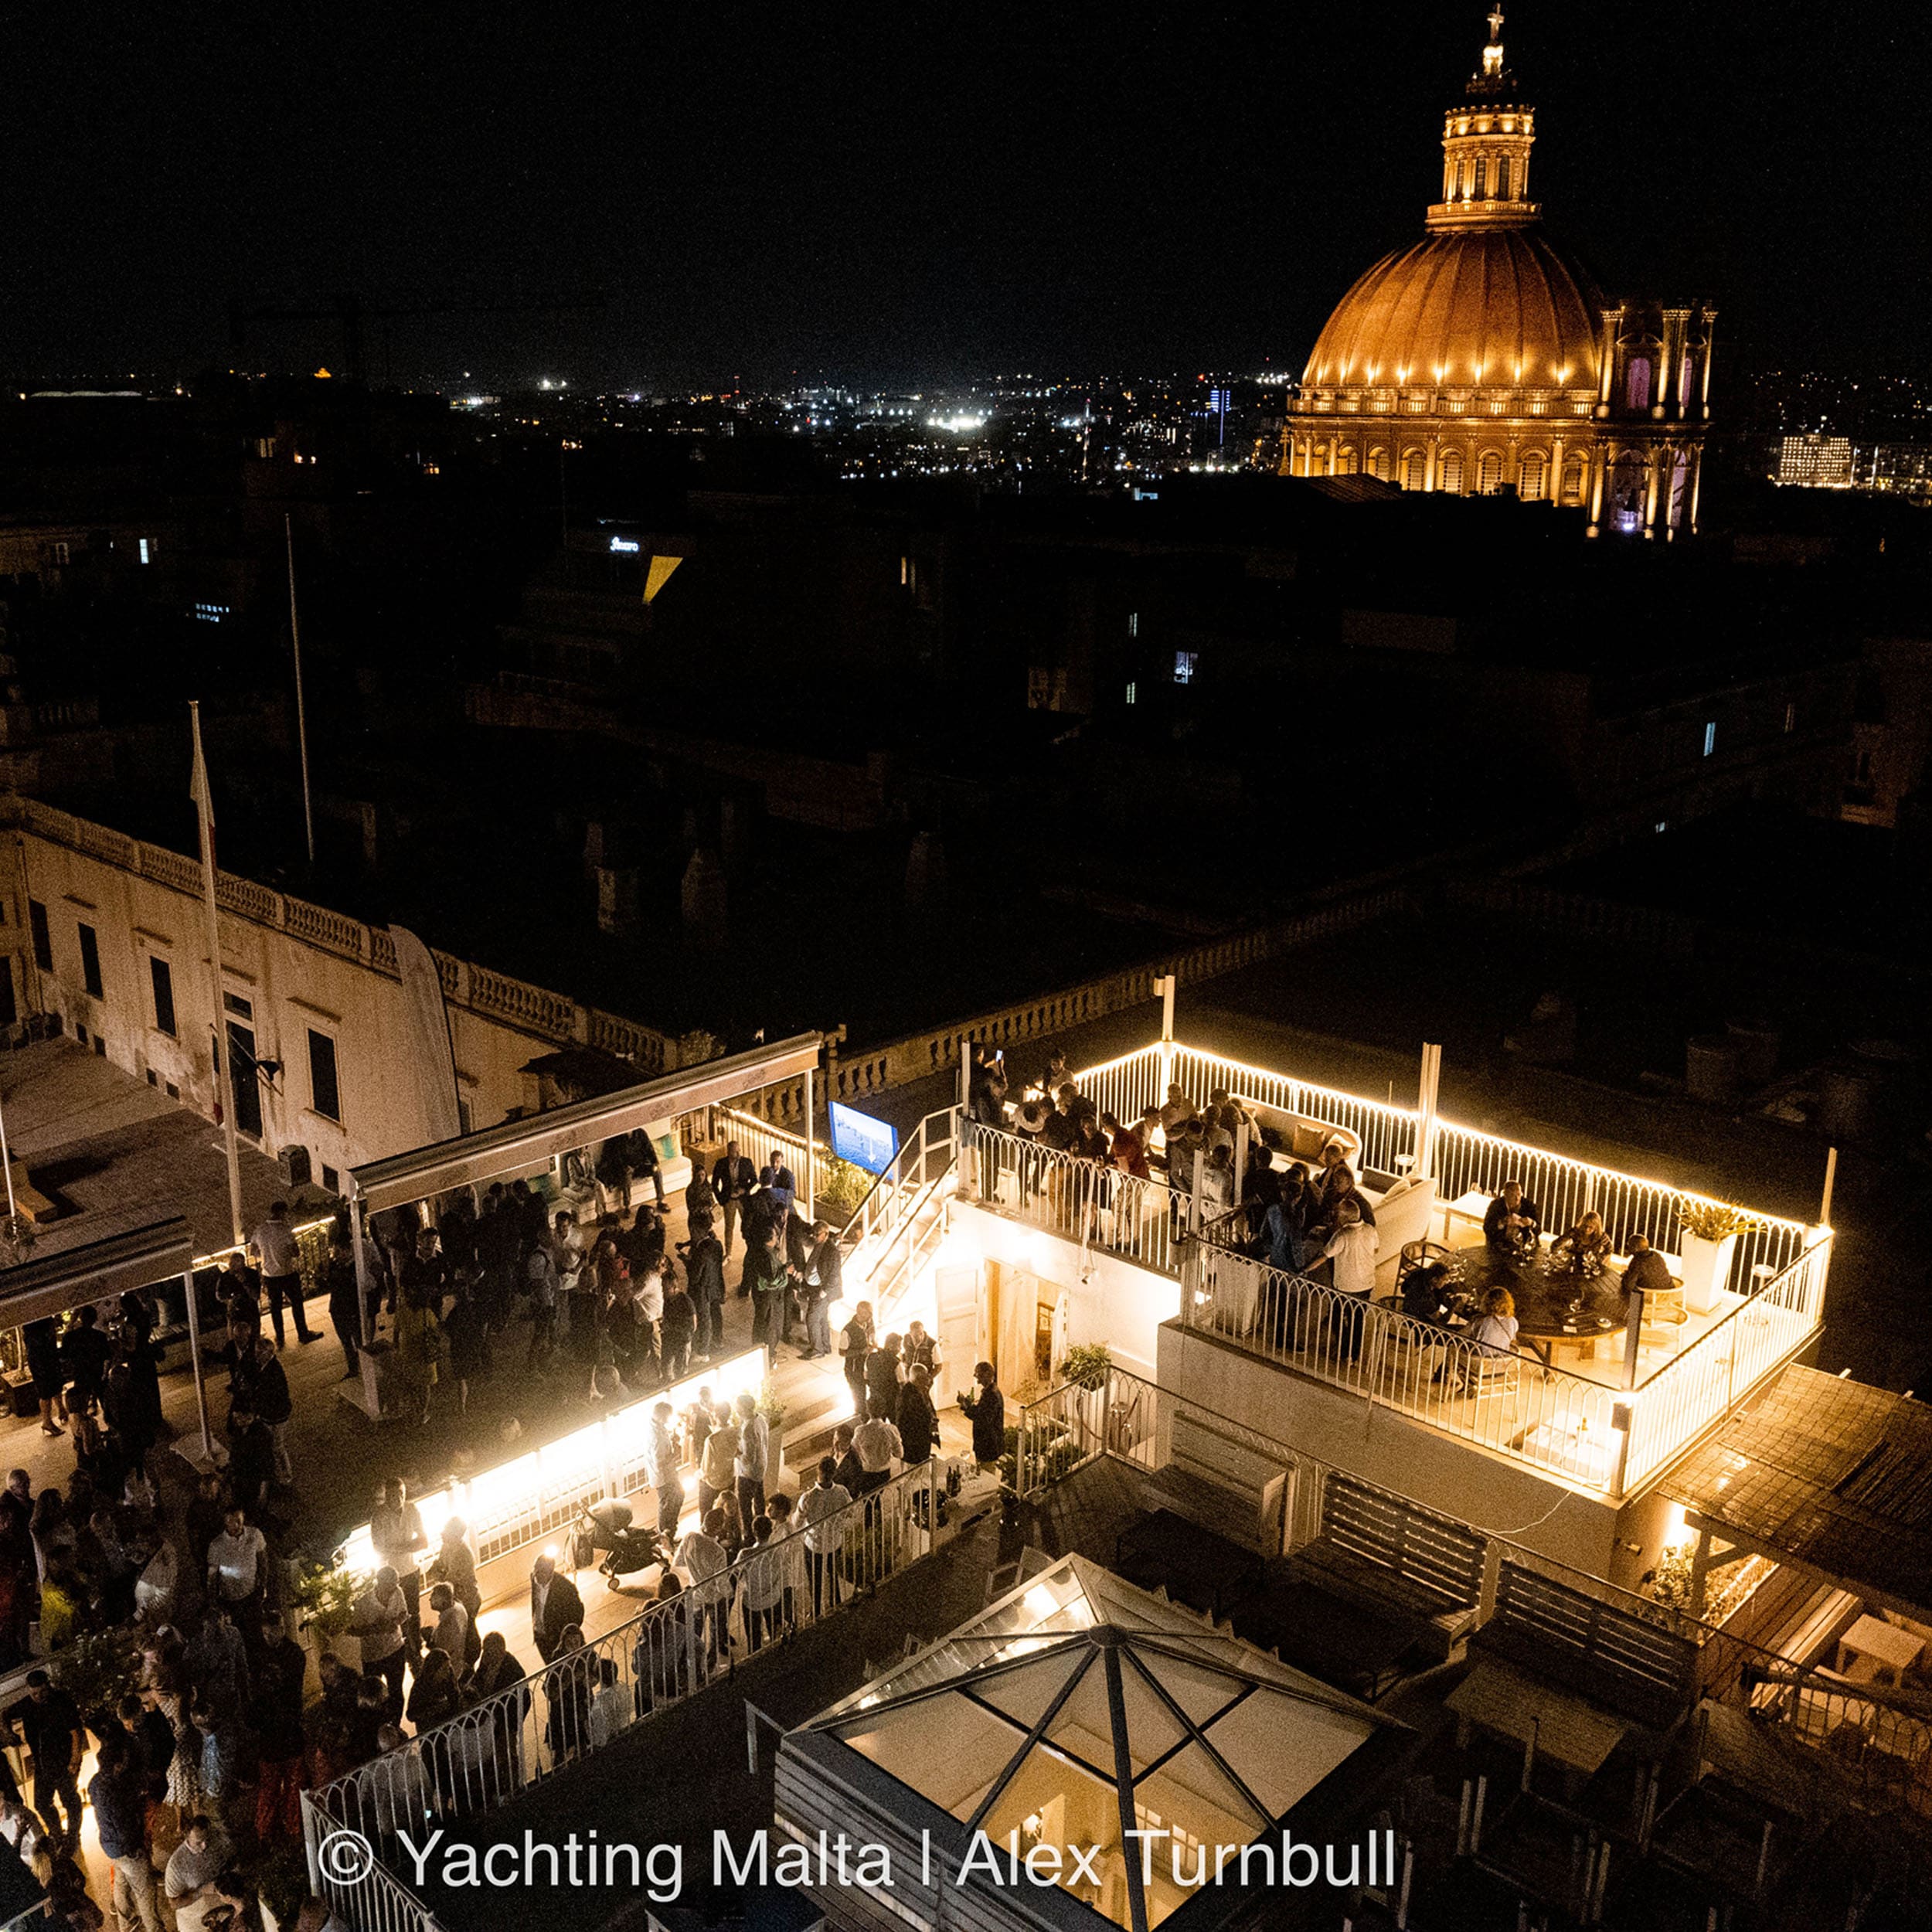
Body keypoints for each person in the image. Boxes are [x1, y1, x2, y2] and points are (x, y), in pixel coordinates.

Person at [89, 1734, 162, 1932]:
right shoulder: (114, 1792)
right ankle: (155, 1928)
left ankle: (126, 1924)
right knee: (145, 1892)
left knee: (121, 1883)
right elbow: (125, 1826)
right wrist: (135, 1848)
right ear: (117, 1765)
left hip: (110, 1845)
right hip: (127, 1849)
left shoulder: (96, 1782)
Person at [5, 1669, 83, 1853]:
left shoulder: (61, 1701)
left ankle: (73, 1836)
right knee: (41, 1803)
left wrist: (75, 1759)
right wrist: (9, 1734)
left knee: (70, 1801)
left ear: (48, 1686)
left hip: (64, 1763)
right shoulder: (27, 1705)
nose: (38, 1696)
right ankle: (57, 1835)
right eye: (34, 1694)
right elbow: (5, 1714)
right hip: (42, 1765)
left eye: (42, 1692)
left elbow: (75, 1732)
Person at [253, 1615, 309, 1845]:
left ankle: (294, 1828)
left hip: (289, 1728)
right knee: (270, 1787)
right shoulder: (260, 1655)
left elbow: (292, 1687)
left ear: (282, 1629)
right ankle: (265, 1830)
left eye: (272, 1633)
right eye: (265, 1634)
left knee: (294, 1785)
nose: (268, 1638)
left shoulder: (294, 1654)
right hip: (269, 1734)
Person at [370, 1478, 427, 1659]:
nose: (398, 1499)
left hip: (411, 1569)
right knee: (397, 1615)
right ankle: (404, 1651)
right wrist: (409, 1546)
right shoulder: (379, 1516)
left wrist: (397, 1548)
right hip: (390, 1576)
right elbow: (379, 1548)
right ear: (386, 1496)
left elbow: (424, 1541)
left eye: (401, 1494)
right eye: (393, 1495)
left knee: (414, 1612)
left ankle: (416, 1648)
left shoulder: (412, 1510)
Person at [250, 1202, 319, 1347]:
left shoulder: (260, 1230)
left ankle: (280, 1337)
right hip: (287, 1272)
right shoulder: (285, 1230)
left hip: (269, 1274)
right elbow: (296, 1252)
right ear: (282, 1213)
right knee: (297, 1303)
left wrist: (266, 1256)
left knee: (275, 1308)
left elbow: (254, 1251)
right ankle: (302, 1333)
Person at [1320, 1196, 1379, 1361]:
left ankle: (1345, 1349)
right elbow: (1376, 1249)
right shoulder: (1370, 1230)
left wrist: (1304, 1269)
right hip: (1366, 1284)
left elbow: (1325, 1255)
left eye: (1339, 1213)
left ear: (1346, 1216)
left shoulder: (1342, 1235)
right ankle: (1354, 1355)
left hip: (1345, 1286)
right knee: (1358, 1319)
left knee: (1336, 1317)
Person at [798, 1457, 852, 1617]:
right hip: (834, 1542)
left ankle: (816, 1611)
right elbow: (850, 1511)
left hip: (814, 1544)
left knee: (815, 1579)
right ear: (834, 1473)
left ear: (818, 1472)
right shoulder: (841, 1492)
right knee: (833, 1574)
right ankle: (835, 1603)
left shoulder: (808, 1497)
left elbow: (797, 1520)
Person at [352, 1568, 410, 1713]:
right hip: (373, 1657)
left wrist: (395, 1622)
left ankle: (395, 1725)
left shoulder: (398, 1592)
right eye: (391, 1584)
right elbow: (354, 1630)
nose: (395, 1587)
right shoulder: (363, 1603)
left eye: (396, 1583)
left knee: (396, 1691)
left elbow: (404, 1612)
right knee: (373, 1695)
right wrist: (377, 1629)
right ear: (380, 1582)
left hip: (395, 1649)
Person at [164, 1816, 230, 1932]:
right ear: (187, 1836)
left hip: (220, 1908)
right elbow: (174, 1903)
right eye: (198, 1842)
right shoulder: (176, 1865)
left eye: (207, 1840)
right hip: (194, 1918)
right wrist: (201, 1892)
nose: (204, 1846)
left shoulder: (215, 1839)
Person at [205, 1506, 267, 1621]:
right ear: (225, 1522)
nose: (235, 1526)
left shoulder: (255, 1535)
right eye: (230, 1521)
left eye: (238, 1521)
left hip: (252, 1594)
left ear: (243, 1518)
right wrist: (214, 1603)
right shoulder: (216, 1546)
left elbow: (263, 1562)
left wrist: (262, 1586)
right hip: (229, 1599)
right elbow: (212, 1577)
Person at [528, 1553, 585, 1665]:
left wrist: (566, 1637)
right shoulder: (534, 1579)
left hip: (558, 1640)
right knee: (551, 1668)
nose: (536, 1575)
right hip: (541, 1638)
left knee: (567, 1670)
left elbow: (578, 1614)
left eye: (541, 1572)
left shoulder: (566, 1588)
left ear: (550, 1572)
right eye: (536, 1570)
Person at [685, 1214, 726, 1360]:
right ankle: (718, 1340)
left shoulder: (700, 1252)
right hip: (715, 1284)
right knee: (716, 1314)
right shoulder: (717, 1245)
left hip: (702, 1290)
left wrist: (687, 1262)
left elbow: (695, 1276)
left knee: (704, 1319)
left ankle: (703, 1351)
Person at [697, 1400, 740, 1536]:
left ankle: (706, 1533)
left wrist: (699, 1475)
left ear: (716, 1416)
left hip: (712, 1482)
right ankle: (727, 1533)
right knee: (729, 1511)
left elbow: (706, 1468)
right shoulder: (735, 1431)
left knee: (705, 1511)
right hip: (728, 1478)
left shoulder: (711, 1440)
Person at [801, 1222, 842, 1360]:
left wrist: (824, 1292)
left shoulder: (832, 1251)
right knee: (822, 1317)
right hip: (815, 1288)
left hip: (822, 1291)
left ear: (826, 1234)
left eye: (817, 1235)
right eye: (814, 1234)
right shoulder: (820, 1245)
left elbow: (834, 1275)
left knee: (812, 1318)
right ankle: (824, 1345)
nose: (815, 1237)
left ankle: (817, 1349)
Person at [645, 1402, 684, 1539]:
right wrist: (675, 1454)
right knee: (668, 1504)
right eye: (667, 1417)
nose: (669, 1419)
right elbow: (659, 1462)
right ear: (662, 1416)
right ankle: (666, 1533)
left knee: (673, 1499)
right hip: (664, 1477)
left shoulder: (657, 1428)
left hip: (665, 1475)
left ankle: (668, 1530)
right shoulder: (656, 1437)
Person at [712, 1141, 757, 1257]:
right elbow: (714, 1184)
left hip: (743, 1200)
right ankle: (728, 1254)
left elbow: (754, 1180)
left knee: (748, 1225)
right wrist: (721, 1199)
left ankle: (752, 1251)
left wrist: (744, 1190)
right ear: (729, 1151)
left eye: (739, 1150)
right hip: (729, 1200)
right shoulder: (721, 1164)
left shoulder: (747, 1162)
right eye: (735, 1151)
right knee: (729, 1227)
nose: (738, 1153)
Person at [23, 1318, 66, 1437]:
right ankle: (47, 1421)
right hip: (40, 1358)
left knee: (56, 1384)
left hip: (47, 1354)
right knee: (45, 1390)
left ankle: (61, 1410)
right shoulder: (34, 1331)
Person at [734, 1388, 770, 1529]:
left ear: (743, 1409)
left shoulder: (748, 1429)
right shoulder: (760, 1418)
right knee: (759, 1499)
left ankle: (749, 1532)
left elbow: (749, 1458)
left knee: (745, 1506)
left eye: (738, 1407)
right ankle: (762, 1526)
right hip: (761, 1467)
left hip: (747, 1473)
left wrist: (736, 1453)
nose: (736, 1410)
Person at [1483, 1179, 1543, 1253]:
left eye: (1519, 1194)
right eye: (1512, 1195)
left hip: (1524, 1247)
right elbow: (1487, 1228)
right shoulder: (1496, 1206)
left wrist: (1532, 1223)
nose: (1517, 1198)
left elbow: (1539, 1230)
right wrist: (1502, 1223)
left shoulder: (1529, 1206)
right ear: (1505, 1195)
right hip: (1501, 1247)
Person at [896, 1363, 938, 1464]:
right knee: (915, 1467)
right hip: (914, 1442)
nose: (929, 1377)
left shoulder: (920, 1388)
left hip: (922, 1438)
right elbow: (914, 1420)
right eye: (926, 1375)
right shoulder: (909, 1395)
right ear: (918, 1378)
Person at [1552, 1209, 1613, 1276]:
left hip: (1590, 1268)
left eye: (1591, 1227)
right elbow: (1557, 1243)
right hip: (1573, 1266)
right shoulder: (1575, 1232)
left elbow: (1609, 1250)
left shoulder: (1602, 1237)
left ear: (1596, 1228)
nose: (1587, 1229)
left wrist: (1600, 1259)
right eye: (1585, 1226)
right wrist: (1557, 1255)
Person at [660, 1273, 696, 1382]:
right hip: (668, 1339)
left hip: (682, 1340)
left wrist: (671, 1327)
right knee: (666, 1365)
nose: (663, 1292)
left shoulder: (686, 1302)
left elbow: (692, 1326)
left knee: (681, 1369)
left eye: (665, 1289)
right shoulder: (665, 1300)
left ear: (674, 1288)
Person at [968, 1362, 1005, 1468]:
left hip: (988, 1445)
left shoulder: (992, 1395)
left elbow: (983, 1420)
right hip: (985, 1444)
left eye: (978, 1374)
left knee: (987, 1476)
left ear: (987, 1375)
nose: (975, 1376)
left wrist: (968, 1408)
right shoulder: (990, 1391)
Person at [1468, 1286, 1521, 1357]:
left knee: (1455, 1342)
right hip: (1501, 1360)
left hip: (1482, 1359)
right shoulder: (1513, 1321)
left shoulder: (1483, 1321)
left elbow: (1473, 1338)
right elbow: (1513, 1340)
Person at [841, 1301, 874, 1410]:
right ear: (861, 1313)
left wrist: (872, 1342)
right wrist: (861, 1351)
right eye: (868, 1314)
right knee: (859, 1396)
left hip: (866, 1366)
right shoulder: (848, 1331)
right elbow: (842, 1352)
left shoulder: (868, 1322)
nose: (871, 1317)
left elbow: (871, 1332)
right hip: (854, 1370)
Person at [1622, 1233, 1675, 1300]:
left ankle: (1633, 1310)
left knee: (1622, 1291)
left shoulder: (1637, 1261)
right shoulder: (1656, 1255)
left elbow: (1629, 1285)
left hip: (1652, 1295)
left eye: (1629, 1244)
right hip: (1668, 1292)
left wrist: (1625, 1277)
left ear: (1635, 1248)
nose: (1628, 1247)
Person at [865, 1332, 903, 1421]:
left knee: (878, 1425)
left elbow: (866, 1378)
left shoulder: (870, 1357)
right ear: (890, 1345)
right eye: (898, 1346)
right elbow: (902, 1383)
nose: (900, 1349)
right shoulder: (896, 1362)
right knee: (896, 1425)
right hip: (892, 1401)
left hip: (875, 1400)